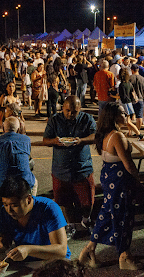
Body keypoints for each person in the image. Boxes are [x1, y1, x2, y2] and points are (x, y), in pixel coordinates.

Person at [79, 102, 143, 270]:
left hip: (109, 177)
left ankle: (89, 250)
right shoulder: (117, 136)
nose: (126, 115)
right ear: (114, 116)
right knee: (123, 216)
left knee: (107, 214)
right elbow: (128, 164)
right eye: (122, 113)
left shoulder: (105, 134)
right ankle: (124, 256)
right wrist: (139, 180)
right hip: (120, 181)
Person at [42, 96, 96, 238]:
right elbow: (45, 140)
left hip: (82, 167)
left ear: (80, 109)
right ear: (63, 108)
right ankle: (71, 225)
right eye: (67, 111)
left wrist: (81, 140)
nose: (70, 114)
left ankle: (86, 219)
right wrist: (54, 141)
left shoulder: (87, 119)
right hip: (61, 168)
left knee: (88, 201)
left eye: (74, 112)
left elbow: (96, 136)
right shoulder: (55, 120)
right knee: (64, 201)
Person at [0, 176, 71, 262]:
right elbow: (4, 235)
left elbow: (61, 251)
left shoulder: (48, 208)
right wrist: (0, 242)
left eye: (14, 205)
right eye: (5, 205)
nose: (9, 210)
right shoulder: (4, 212)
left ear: (28, 199)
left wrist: (28, 250)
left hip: (53, 262)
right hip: (26, 263)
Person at [0, 117, 37, 196]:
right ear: (18, 128)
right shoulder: (26, 140)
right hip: (25, 183)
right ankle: (31, 204)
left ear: (3, 128)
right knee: (34, 182)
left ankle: (1, 206)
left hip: (3, 184)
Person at [118, 68, 143, 139]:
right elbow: (132, 93)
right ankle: (130, 132)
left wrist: (112, 95)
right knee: (128, 120)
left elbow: (121, 96)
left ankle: (139, 133)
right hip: (129, 103)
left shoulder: (121, 85)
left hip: (124, 104)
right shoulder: (129, 83)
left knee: (128, 122)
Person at [129, 64, 144, 130]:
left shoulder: (129, 78)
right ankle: (138, 131)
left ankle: (130, 131)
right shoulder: (143, 79)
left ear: (132, 70)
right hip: (140, 99)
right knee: (139, 116)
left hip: (131, 100)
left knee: (129, 116)